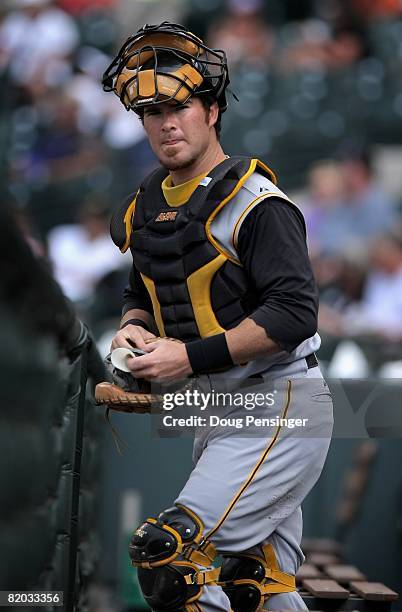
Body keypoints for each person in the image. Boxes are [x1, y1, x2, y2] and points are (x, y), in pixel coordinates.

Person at [101, 21, 333, 611]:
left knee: (170, 559)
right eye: (151, 112)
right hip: (214, 407)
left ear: (211, 111)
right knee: (255, 585)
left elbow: (294, 314)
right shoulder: (147, 204)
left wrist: (186, 355)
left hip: (278, 402)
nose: (165, 123)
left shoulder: (258, 203)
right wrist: (134, 325)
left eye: (178, 106)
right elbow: (143, 286)